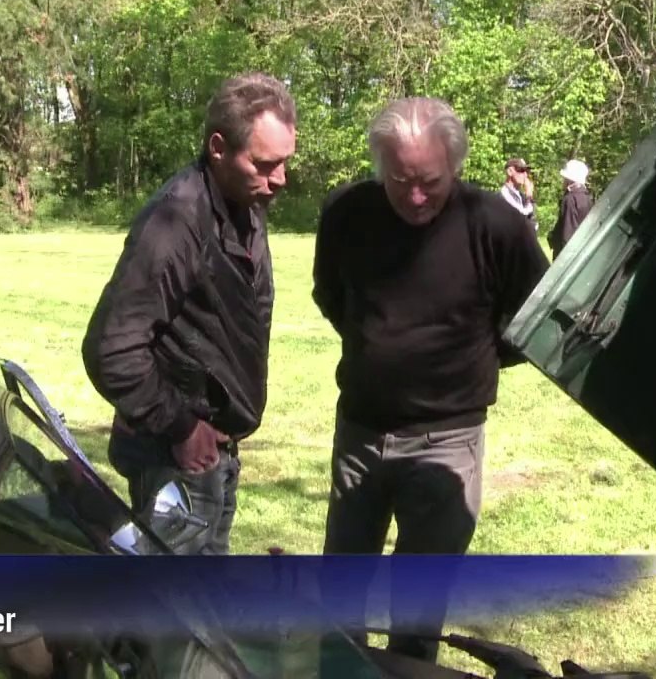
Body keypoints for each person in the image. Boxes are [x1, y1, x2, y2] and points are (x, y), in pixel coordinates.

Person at [312, 97, 549, 661]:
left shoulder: (495, 224)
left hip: (449, 442)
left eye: (430, 182)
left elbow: (538, 317)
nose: (415, 197)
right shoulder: (347, 212)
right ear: (379, 168)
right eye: (400, 181)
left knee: (419, 610)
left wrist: (476, 361)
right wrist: (379, 349)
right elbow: (331, 295)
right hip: (362, 435)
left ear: (456, 164)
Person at [81, 72, 297, 555]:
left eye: (285, 163)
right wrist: (179, 427)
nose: (280, 179)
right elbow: (111, 348)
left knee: (205, 609)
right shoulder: (177, 222)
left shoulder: (245, 203)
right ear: (218, 148)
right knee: (171, 619)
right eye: (265, 164)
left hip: (214, 453)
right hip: (175, 455)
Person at [548, 158, 594, 257]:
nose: (563, 181)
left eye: (565, 178)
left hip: (568, 256)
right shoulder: (587, 198)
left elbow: (567, 233)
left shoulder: (570, 199)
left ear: (570, 180)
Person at [499, 157, 537, 233]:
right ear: (510, 171)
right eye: (521, 170)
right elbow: (520, 220)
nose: (525, 175)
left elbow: (533, 224)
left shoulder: (521, 196)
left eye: (526, 171)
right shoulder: (503, 195)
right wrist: (529, 197)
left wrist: (529, 197)